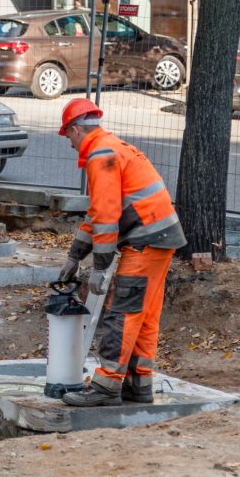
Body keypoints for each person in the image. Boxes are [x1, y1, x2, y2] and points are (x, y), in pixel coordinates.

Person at [56, 98, 186, 407]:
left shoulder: (100, 155)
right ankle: (138, 384)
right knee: (143, 314)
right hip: (160, 237)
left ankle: (106, 385)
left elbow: (105, 216)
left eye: (68, 137)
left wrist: (99, 267)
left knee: (123, 312)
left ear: (75, 130)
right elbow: (97, 214)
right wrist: (74, 257)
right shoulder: (110, 147)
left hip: (145, 239)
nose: (70, 145)